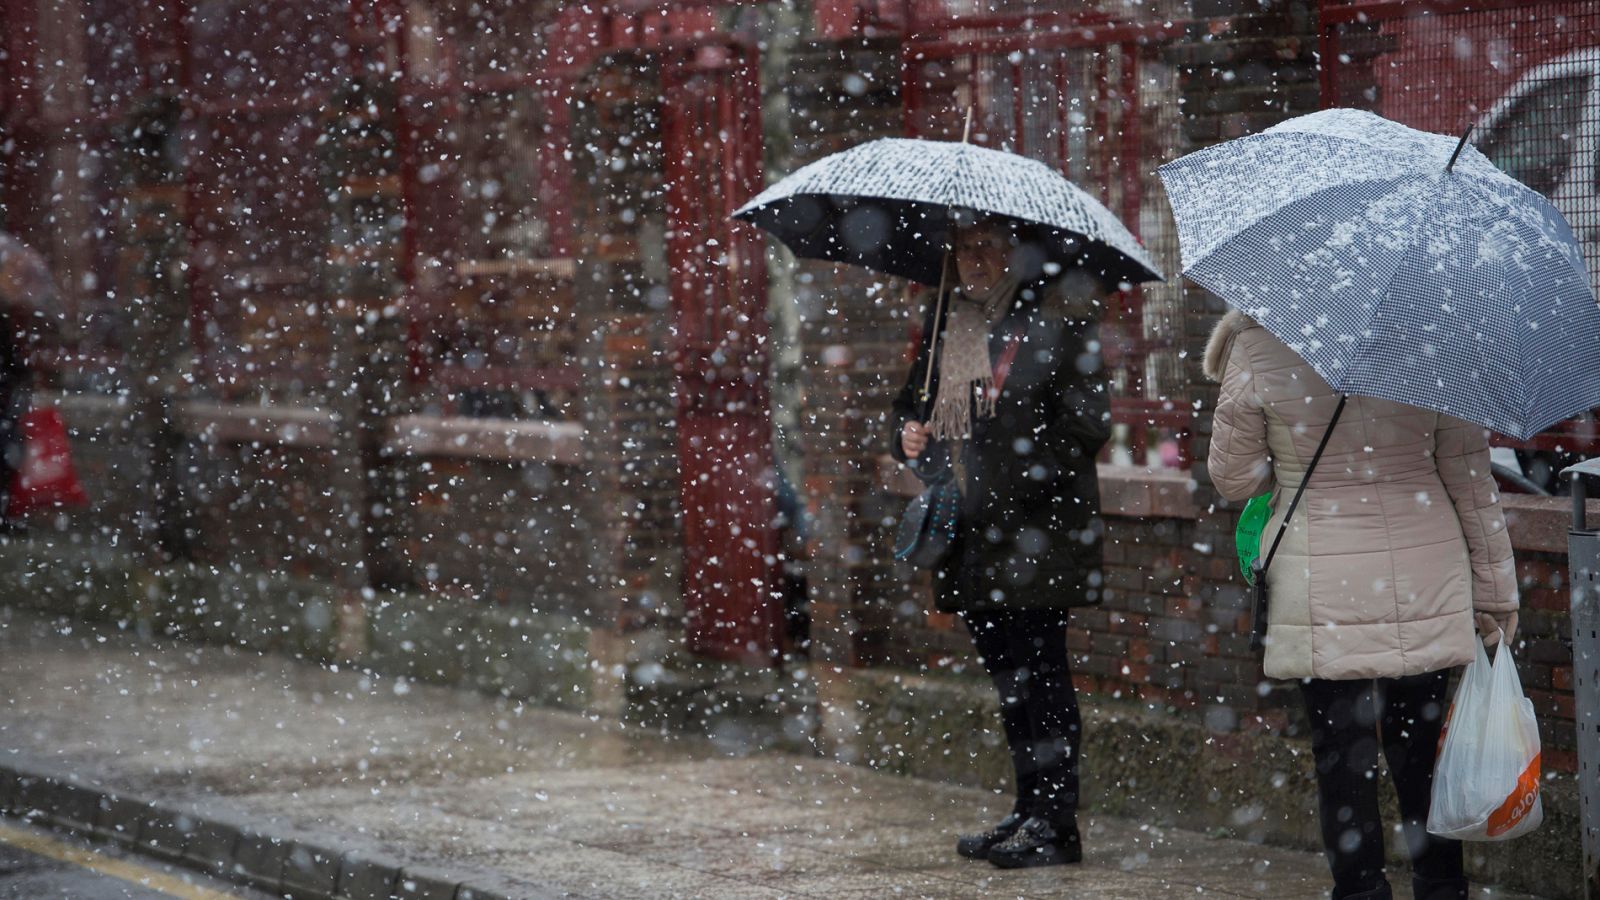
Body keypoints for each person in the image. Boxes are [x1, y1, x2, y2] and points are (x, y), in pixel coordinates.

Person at [1205, 309, 1519, 900]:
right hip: (1425, 570)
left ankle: (1361, 889)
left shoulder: (1260, 338)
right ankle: (1441, 886)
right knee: (1422, 753)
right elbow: (1471, 480)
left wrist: (1292, 458)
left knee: (1341, 762)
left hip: (1320, 580)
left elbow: (1235, 478)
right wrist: (1497, 593)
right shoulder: (1435, 330)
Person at [890, 215, 1112, 869]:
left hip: (1036, 534)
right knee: (1008, 679)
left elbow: (1088, 427)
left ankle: (1058, 825)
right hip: (973, 537)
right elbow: (912, 406)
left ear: (1015, 254)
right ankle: (1027, 805)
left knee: (1043, 674)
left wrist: (1006, 453)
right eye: (963, 247)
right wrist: (909, 434)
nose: (974, 259)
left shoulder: (1058, 319)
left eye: (988, 246)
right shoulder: (949, 321)